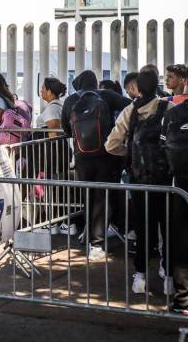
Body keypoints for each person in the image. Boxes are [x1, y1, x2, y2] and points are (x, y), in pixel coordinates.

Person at [105, 70, 175, 295]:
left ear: (138, 87)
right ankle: (168, 277)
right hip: (166, 181)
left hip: (139, 181)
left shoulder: (130, 111)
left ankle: (140, 278)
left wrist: (131, 154)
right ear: (157, 86)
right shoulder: (170, 109)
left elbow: (111, 145)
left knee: (144, 228)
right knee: (168, 228)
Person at [61, 70, 131, 260]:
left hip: (82, 156)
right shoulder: (107, 95)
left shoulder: (70, 101)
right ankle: (97, 243)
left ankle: (89, 234)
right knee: (103, 196)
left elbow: (66, 129)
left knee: (88, 194)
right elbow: (132, 108)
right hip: (106, 154)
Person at [161, 97, 188, 316]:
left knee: (181, 240)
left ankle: (182, 301)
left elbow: (163, 148)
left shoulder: (173, 114)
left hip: (180, 185)